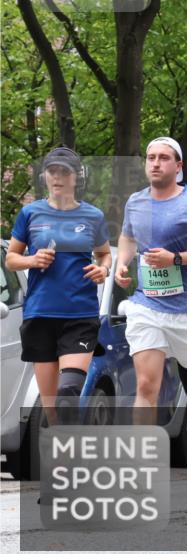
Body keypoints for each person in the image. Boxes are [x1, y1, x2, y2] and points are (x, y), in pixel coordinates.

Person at [114, 137, 187, 490]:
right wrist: (122, 263)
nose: (156, 163)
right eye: (150, 157)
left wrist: (176, 258)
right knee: (146, 384)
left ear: (179, 166)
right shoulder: (136, 202)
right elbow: (128, 237)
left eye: (164, 158)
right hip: (147, 305)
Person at [7, 147, 112, 426]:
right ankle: (64, 457)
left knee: (68, 391)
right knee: (52, 408)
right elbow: (11, 259)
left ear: (76, 177)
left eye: (65, 172)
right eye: (53, 171)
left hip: (79, 314)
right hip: (40, 314)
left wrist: (102, 269)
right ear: (45, 176)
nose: (58, 177)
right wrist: (32, 259)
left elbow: (104, 254)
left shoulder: (93, 216)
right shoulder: (30, 213)